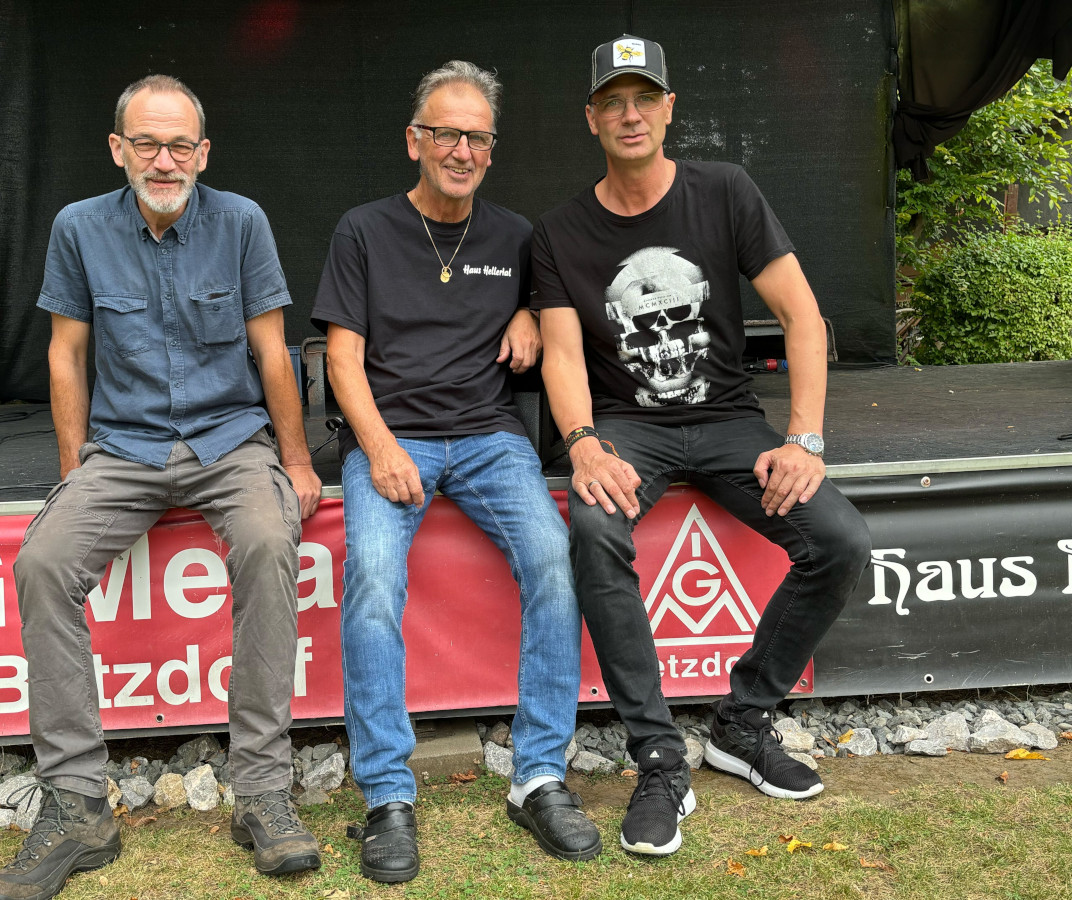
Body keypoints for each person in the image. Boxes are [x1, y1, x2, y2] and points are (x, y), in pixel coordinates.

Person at [0, 75, 322, 900]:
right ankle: (76, 806)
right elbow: (66, 354)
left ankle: (263, 792)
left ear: (203, 153)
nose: (162, 161)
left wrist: (299, 462)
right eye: (146, 144)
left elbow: (274, 353)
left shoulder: (241, 222)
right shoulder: (79, 227)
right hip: (123, 449)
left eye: (179, 146)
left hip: (230, 440)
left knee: (273, 541)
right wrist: (73, 471)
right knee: (42, 564)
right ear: (118, 149)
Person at [532, 35, 872, 857]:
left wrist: (805, 439)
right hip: (627, 428)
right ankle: (657, 758)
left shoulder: (725, 191)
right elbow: (563, 354)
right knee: (594, 528)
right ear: (591, 118)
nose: (629, 113)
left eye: (644, 97)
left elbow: (803, 317)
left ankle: (742, 723)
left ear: (669, 108)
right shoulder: (559, 233)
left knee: (839, 540)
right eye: (612, 101)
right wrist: (581, 443)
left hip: (728, 422)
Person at [310, 60, 601, 884]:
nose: (461, 149)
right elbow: (341, 359)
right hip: (389, 437)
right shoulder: (363, 230)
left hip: (487, 437)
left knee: (553, 558)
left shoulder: (516, 236)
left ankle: (539, 774)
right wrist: (380, 447)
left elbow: (555, 312)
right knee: (369, 576)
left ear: (491, 149)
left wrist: (525, 315)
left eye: (477, 136)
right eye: (446, 132)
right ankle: (387, 795)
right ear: (415, 141)